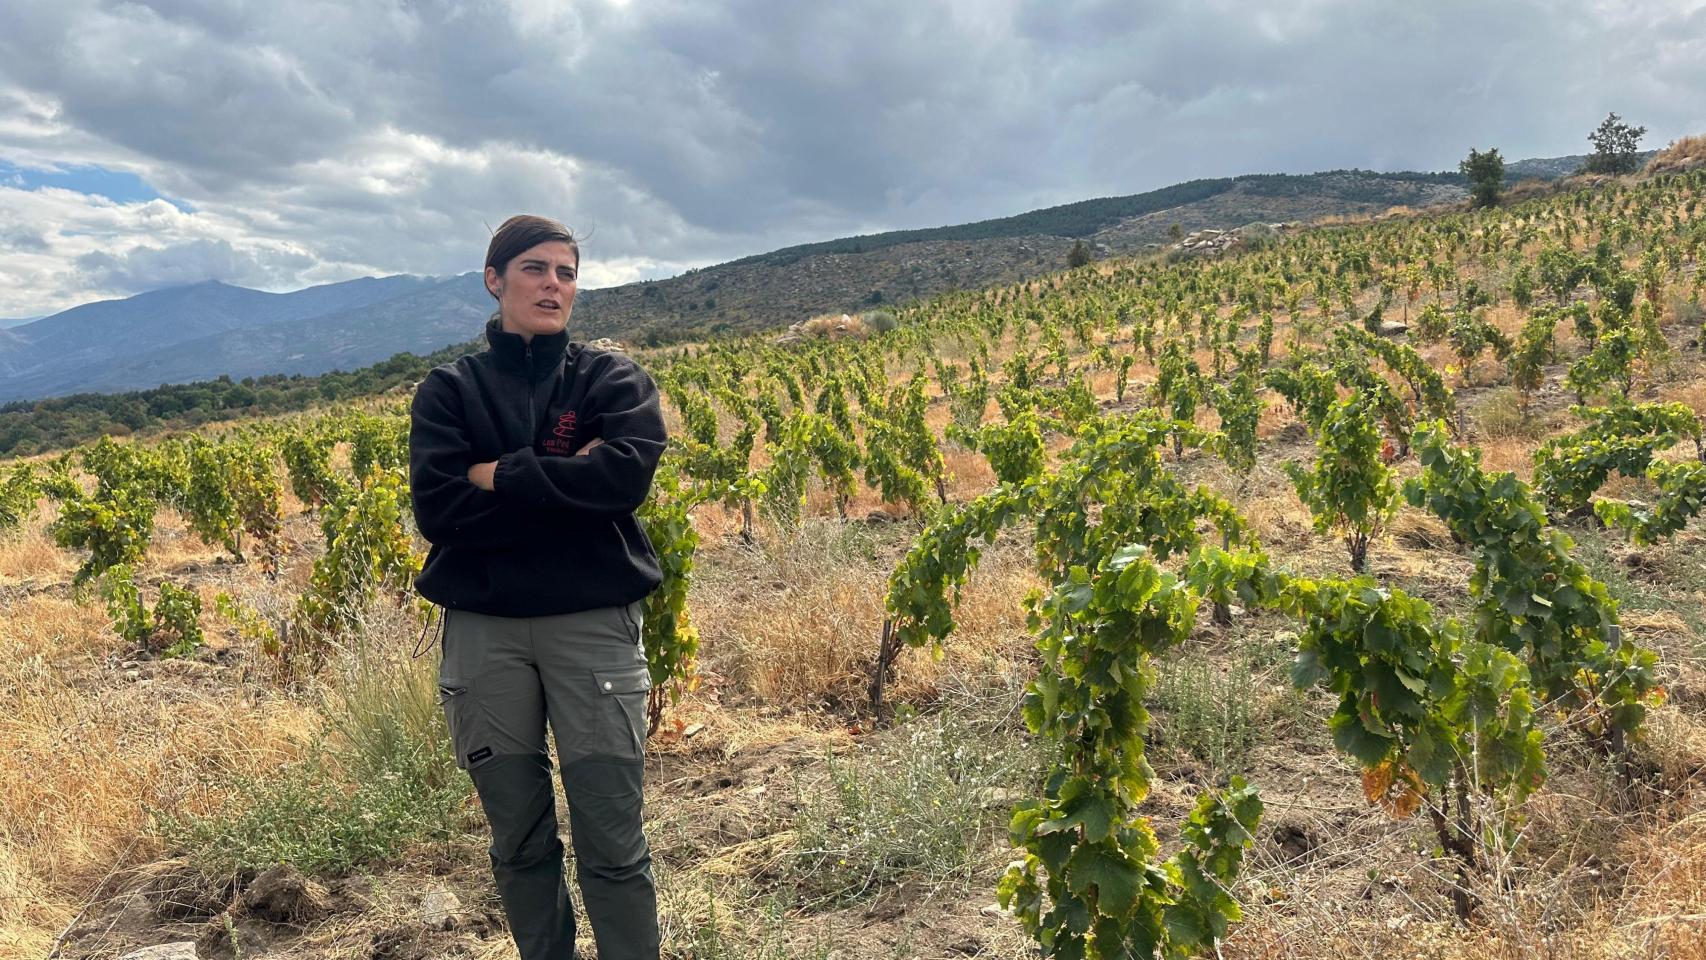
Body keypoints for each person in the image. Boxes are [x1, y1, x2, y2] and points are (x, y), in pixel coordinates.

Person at [407, 214, 668, 960]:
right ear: (494, 281)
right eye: (535, 269)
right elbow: (440, 510)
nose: (554, 284)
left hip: (592, 629)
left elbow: (623, 479)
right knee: (518, 841)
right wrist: (568, 490)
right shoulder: (449, 392)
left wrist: (502, 474)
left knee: (614, 842)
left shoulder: (610, 379)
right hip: (486, 634)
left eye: (567, 272)